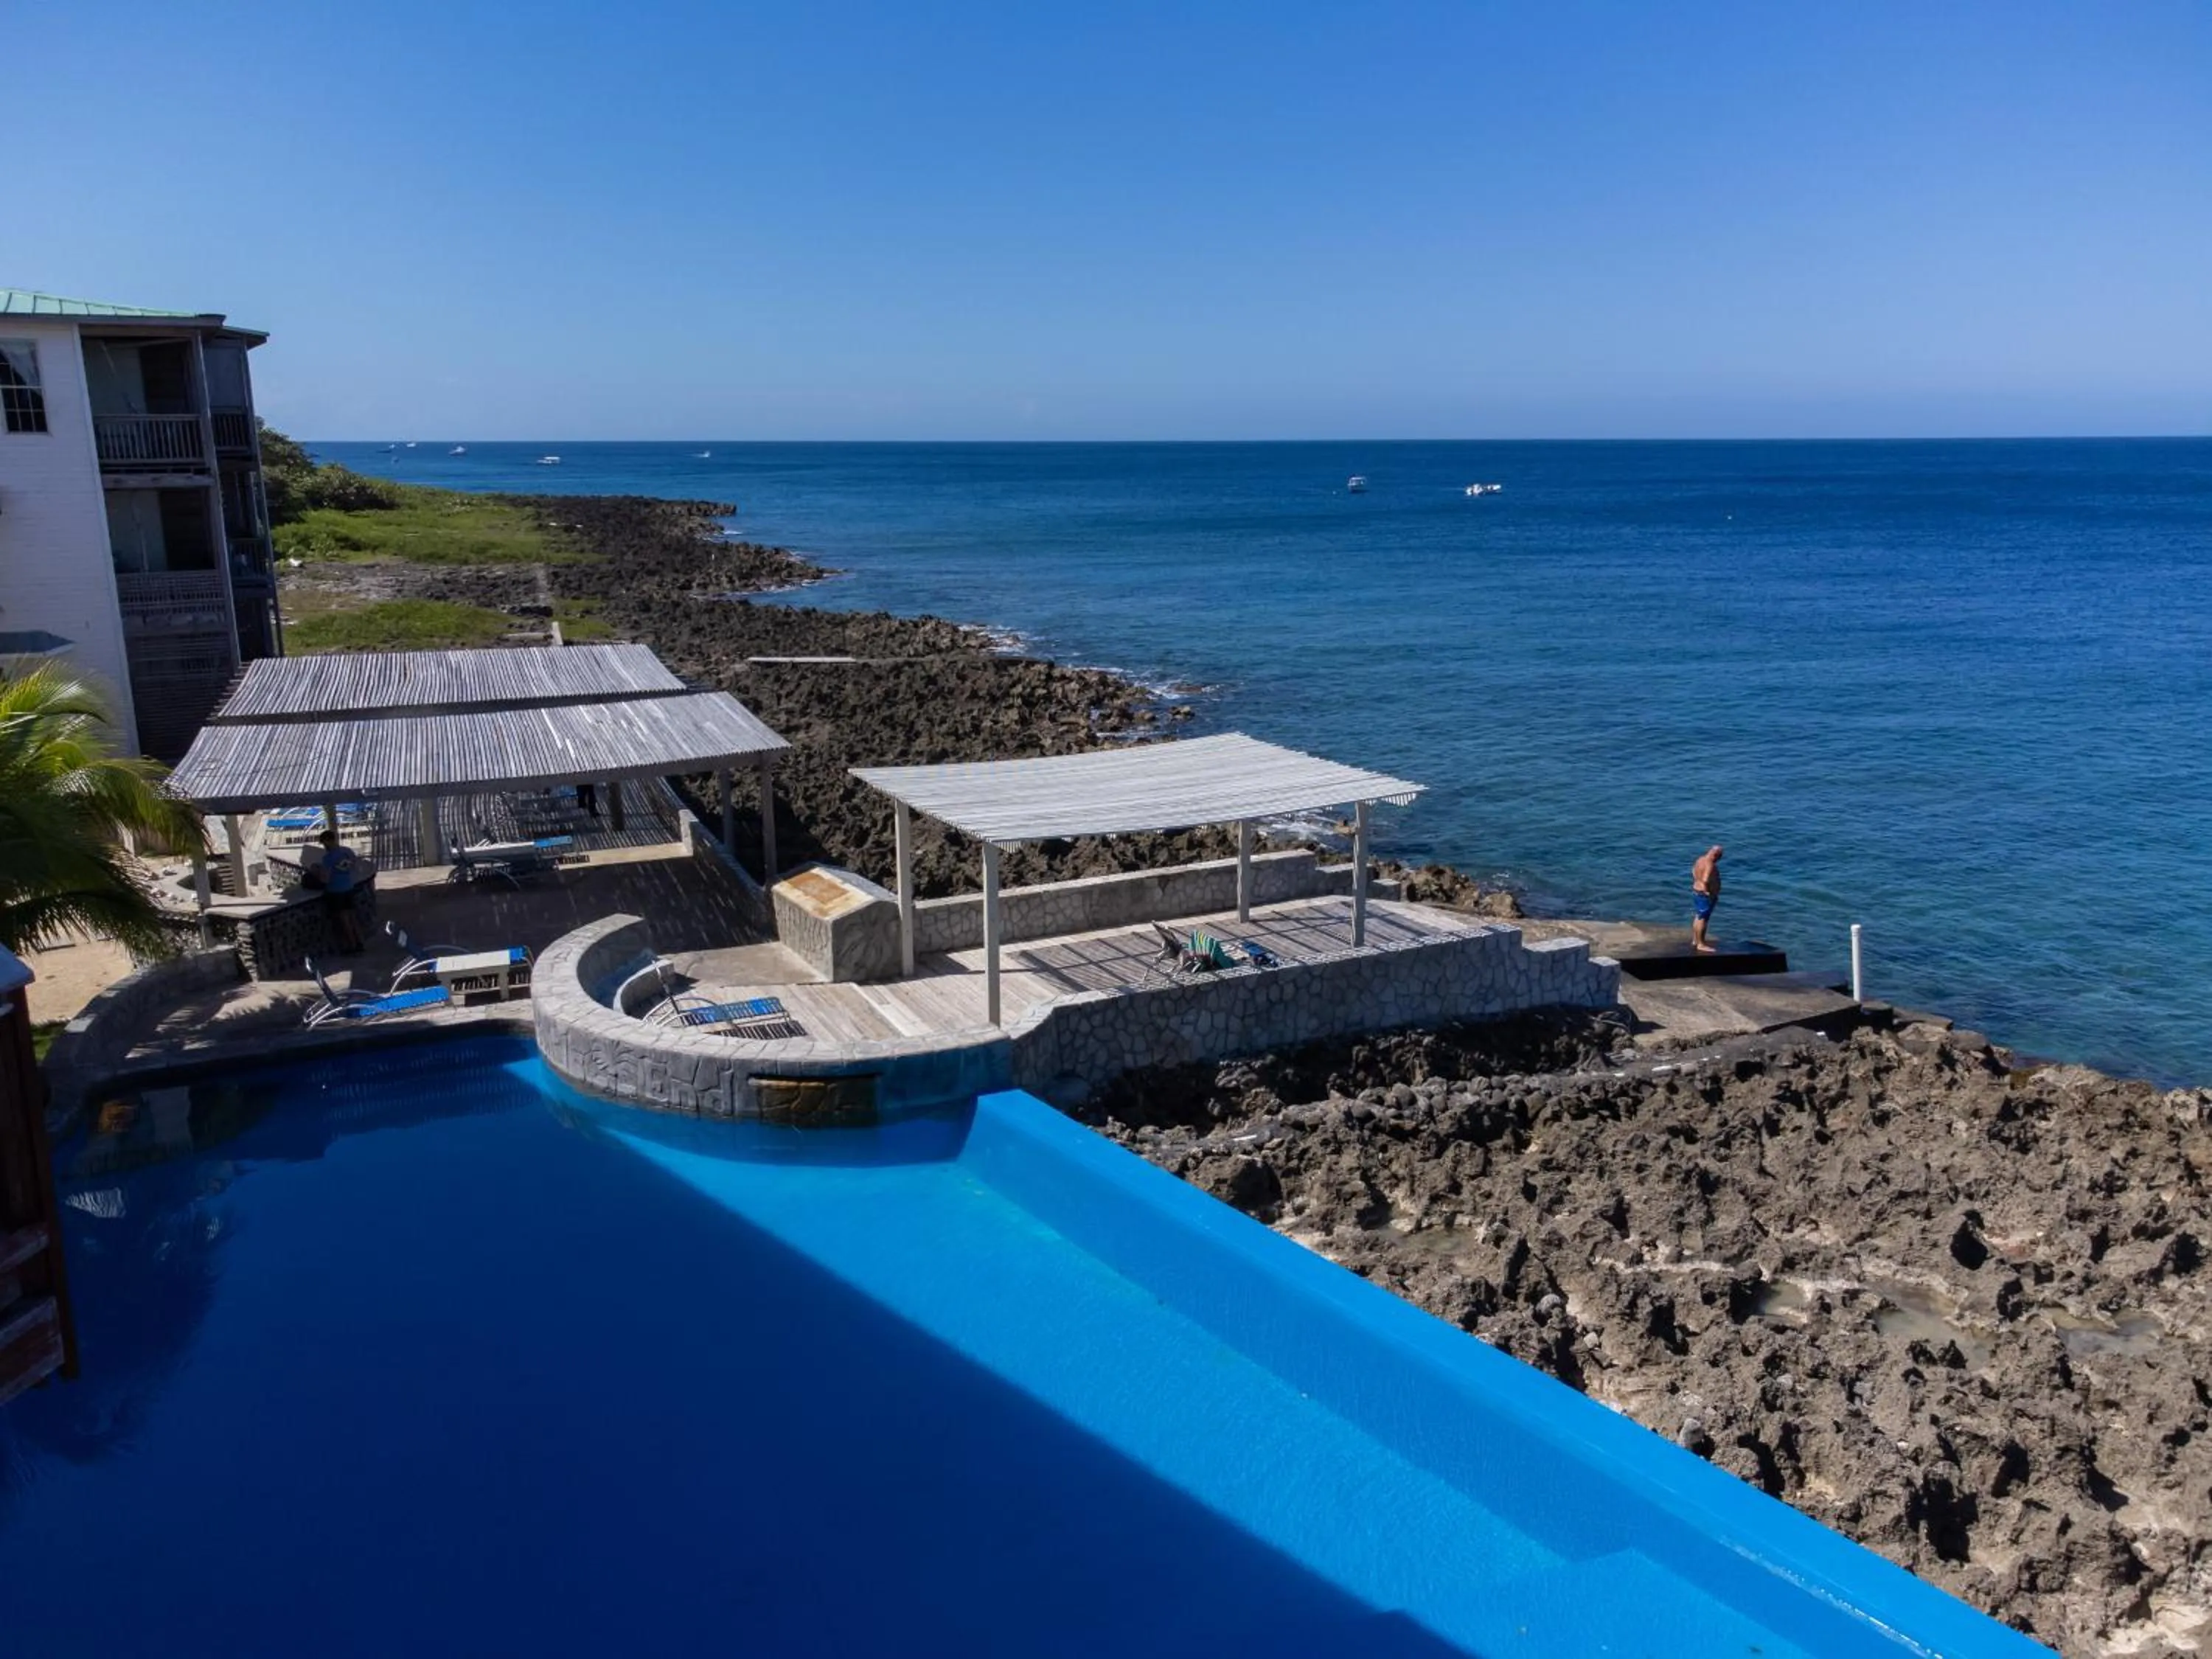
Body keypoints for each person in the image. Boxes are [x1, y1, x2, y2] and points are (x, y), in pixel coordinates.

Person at [316, 830, 365, 953]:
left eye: (324, 843)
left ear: (329, 841)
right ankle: (360, 942)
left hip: (336, 891)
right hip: (348, 887)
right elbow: (355, 866)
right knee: (353, 917)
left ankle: (352, 946)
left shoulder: (328, 858)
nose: (324, 846)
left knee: (345, 920)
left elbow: (326, 879)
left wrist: (318, 874)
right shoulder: (347, 852)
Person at [1691, 844, 1724, 954]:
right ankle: (1701, 944)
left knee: (1698, 916)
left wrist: (1697, 882)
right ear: (1716, 855)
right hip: (1704, 895)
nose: (1719, 860)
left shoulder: (1700, 860)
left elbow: (1693, 871)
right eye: (1719, 857)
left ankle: (1696, 940)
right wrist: (1707, 892)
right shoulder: (1710, 864)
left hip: (1696, 891)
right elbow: (1706, 879)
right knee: (1703, 919)